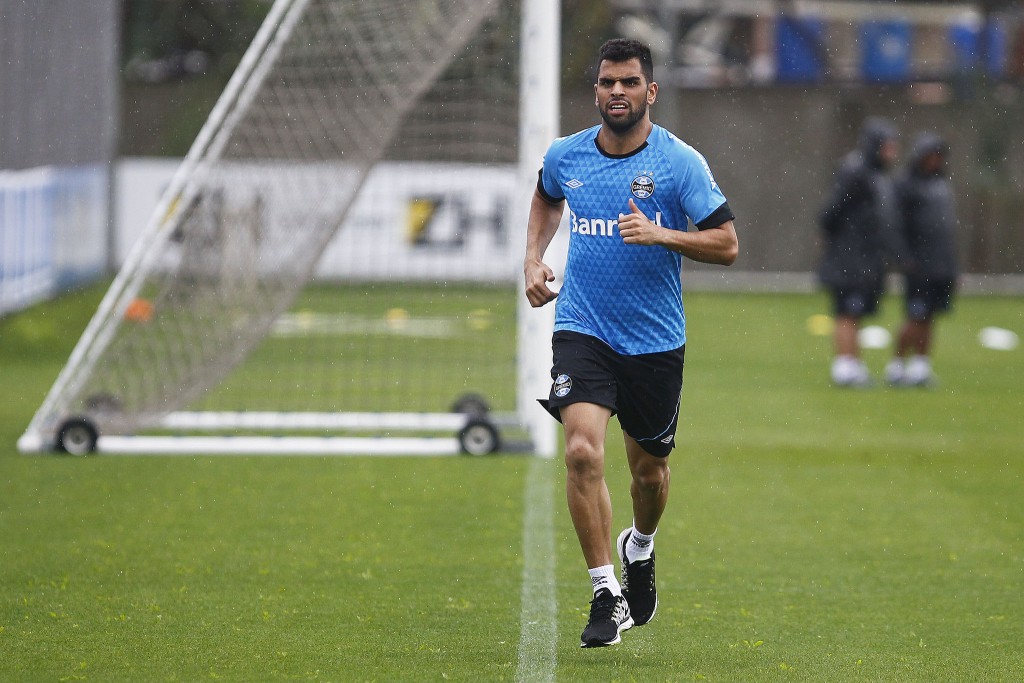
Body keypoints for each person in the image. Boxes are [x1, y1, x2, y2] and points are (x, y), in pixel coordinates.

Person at [523, 38, 738, 648]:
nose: (617, 91)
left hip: (654, 341)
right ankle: (604, 592)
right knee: (581, 452)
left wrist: (663, 234)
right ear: (596, 91)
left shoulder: (679, 163)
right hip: (582, 328)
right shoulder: (566, 155)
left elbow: (727, 244)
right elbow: (546, 196)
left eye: (630, 82)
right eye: (607, 82)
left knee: (650, 475)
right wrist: (533, 257)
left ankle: (639, 547)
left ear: (651, 91)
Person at [817, 117, 902, 387]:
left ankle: (854, 365)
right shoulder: (855, 171)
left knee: (858, 311)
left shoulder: (877, 173)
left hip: (866, 258)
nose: (893, 152)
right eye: (888, 146)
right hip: (850, 259)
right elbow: (832, 212)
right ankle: (845, 368)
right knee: (847, 311)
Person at [885, 133, 958, 387]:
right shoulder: (906, 184)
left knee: (930, 317)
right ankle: (896, 365)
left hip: (941, 264)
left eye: (939, 156)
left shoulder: (940, 184)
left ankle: (920, 367)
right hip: (918, 264)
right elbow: (895, 225)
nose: (935, 161)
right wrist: (904, 258)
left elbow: (945, 230)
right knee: (915, 316)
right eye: (931, 156)